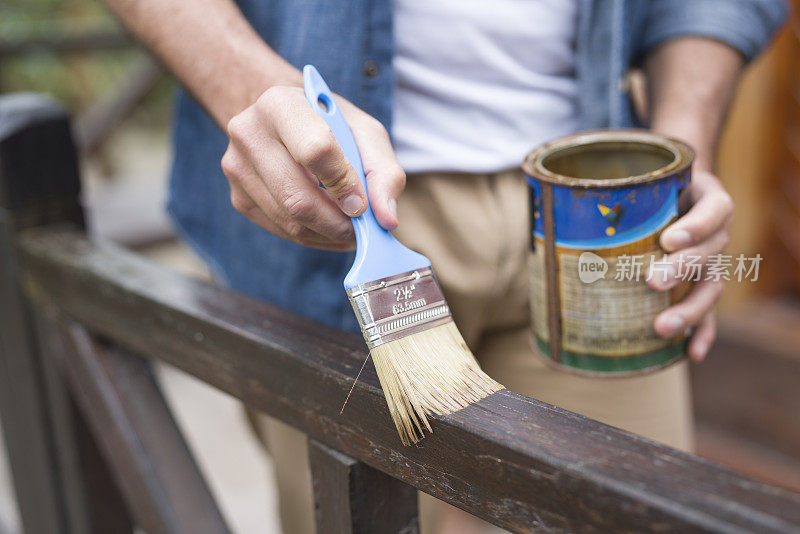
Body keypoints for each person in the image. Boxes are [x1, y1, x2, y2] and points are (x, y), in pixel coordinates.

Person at [100, 0, 787, 532]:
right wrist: (249, 88)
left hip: (600, 209)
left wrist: (679, 147)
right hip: (336, 207)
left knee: (637, 509)